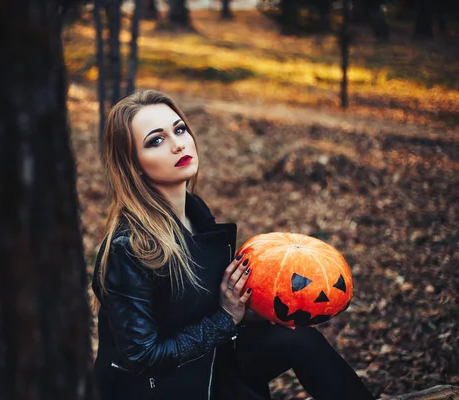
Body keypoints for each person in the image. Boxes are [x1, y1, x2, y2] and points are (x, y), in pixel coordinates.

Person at [91, 89, 376, 400]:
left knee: (300, 339)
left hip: (207, 362)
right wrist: (225, 318)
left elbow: (196, 306)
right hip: (162, 388)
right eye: (156, 140)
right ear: (133, 164)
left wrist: (261, 308)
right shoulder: (130, 247)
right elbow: (143, 357)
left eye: (180, 129)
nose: (178, 144)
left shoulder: (196, 216)